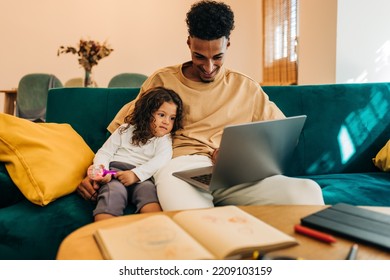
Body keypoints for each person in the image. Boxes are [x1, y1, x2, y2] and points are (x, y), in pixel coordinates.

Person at [77, 0, 324, 210]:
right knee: (193, 218)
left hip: (232, 174)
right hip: (178, 170)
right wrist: (93, 172)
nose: (208, 67)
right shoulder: (162, 80)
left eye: (217, 57)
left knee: (307, 192)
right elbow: (123, 135)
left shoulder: (246, 87)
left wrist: (238, 156)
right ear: (189, 44)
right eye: (199, 56)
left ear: (228, 45)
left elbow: (280, 137)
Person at [88, 87, 183, 221]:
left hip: (142, 177)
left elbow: (161, 160)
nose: (167, 121)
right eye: (161, 115)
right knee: (113, 192)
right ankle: (104, 231)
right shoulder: (124, 130)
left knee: (148, 193)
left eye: (172, 118)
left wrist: (135, 174)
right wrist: (102, 170)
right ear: (146, 113)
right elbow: (105, 152)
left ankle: (156, 229)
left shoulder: (164, 139)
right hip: (114, 173)